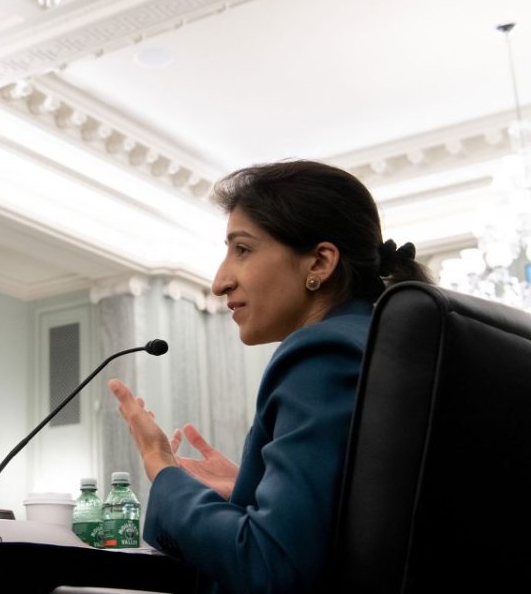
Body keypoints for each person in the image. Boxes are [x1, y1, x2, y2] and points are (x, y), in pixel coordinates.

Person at [109, 159, 433, 594]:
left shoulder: (323, 353)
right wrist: (249, 488)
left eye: (241, 249)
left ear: (319, 262)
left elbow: (269, 566)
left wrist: (162, 469)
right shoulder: (377, 344)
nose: (219, 281)